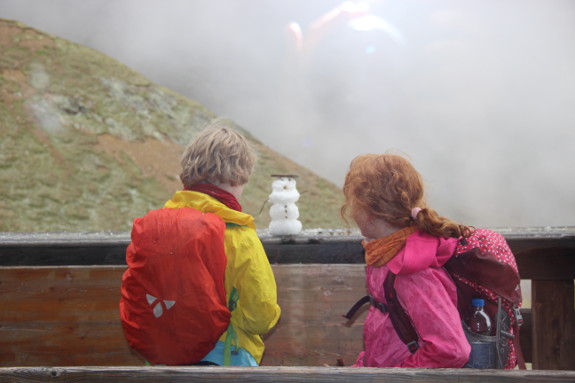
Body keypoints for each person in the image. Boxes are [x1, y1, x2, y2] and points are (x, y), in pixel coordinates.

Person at [164, 119, 281, 366]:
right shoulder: (238, 235)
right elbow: (261, 316)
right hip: (227, 358)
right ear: (238, 179)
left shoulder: (161, 226)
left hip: (169, 356)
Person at [341, 153, 471, 368]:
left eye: (352, 201)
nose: (351, 210)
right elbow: (391, 331)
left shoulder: (411, 269)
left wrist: (397, 375)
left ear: (369, 210)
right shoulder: (385, 253)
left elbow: (451, 350)